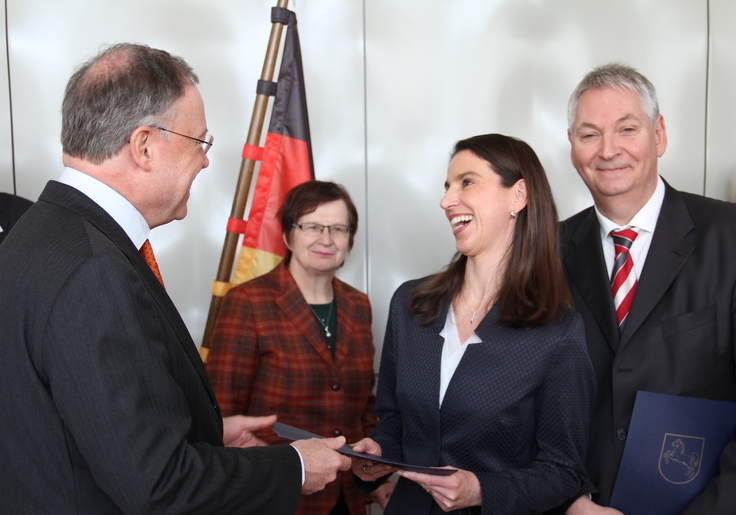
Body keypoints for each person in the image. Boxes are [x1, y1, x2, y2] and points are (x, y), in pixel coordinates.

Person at [0, 43, 351, 514]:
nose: (205, 161)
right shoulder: (94, 272)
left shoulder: (38, 234)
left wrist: (201, 434)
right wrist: (296, 465)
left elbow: (80, 421)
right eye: (199, 142)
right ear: (144, 145)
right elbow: (160, 486)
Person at [351, 133, 596, 514]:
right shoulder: (412, 305)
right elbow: (395, 420)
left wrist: (483, 489)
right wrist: (381, 451)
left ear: (518, 196)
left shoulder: (558, 332)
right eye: (447, 186)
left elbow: (563, 471)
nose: (446, 200)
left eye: (467, 182)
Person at [559, 63, 736, 514]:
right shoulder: (546, 253)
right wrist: (569, 501)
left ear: (658, 135)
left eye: (627, 129)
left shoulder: (729, 237)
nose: (609, 150)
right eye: (589, 134)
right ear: (572, 147)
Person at [207, 180, 394, 514]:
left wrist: (374, 477)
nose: (326, 239)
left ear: (350, 239)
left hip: (347, 497)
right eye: (312, 226)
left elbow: (364, 405)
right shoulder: (248, 301)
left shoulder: (358, 304)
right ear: (287, 236)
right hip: (277, 496)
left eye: (338, 228)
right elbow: (220, 415)